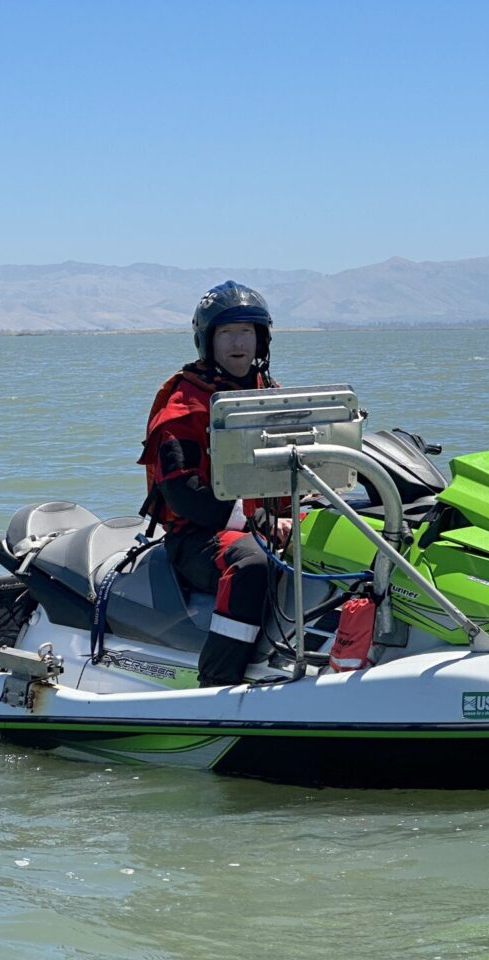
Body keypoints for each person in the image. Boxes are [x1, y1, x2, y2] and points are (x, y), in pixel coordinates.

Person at [138, 281, 291, 687]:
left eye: (247, 331)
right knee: (252, 564)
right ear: (208, 341)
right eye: (226, 332)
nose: (238, 342)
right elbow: (183, 493)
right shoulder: (184, 403)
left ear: (262, 339)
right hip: (199, 535)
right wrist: (256, 524)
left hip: (269, 521)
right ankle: (218, 680)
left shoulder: (271, 394)